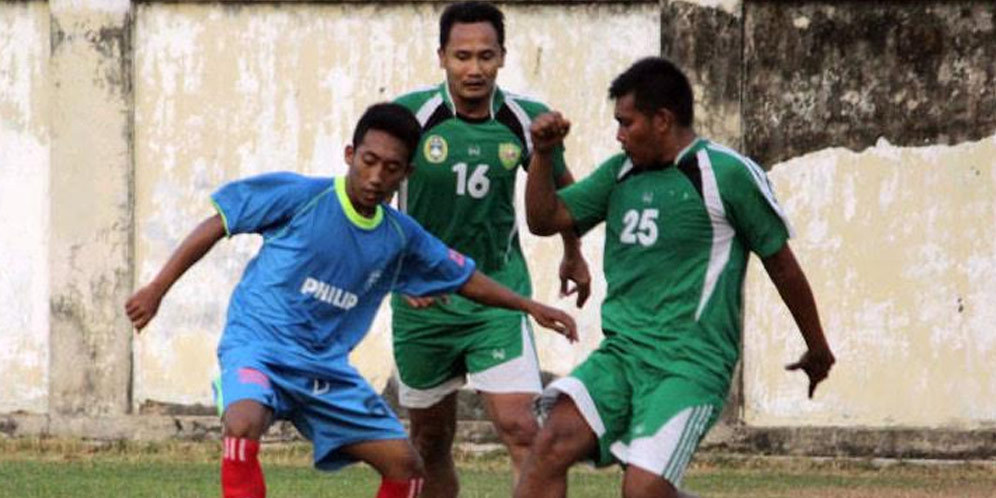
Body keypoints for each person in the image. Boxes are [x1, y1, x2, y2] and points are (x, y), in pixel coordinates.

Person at [124, 103, 577, 498]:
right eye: (369, 161)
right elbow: (218, 223)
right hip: (258, 347)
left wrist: (530, 306)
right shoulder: (303, 196)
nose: (377, 177)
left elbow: (463, 277)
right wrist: (156, 289)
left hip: (325, 369)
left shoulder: (401, 236)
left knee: (407, 468)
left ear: (408, 174)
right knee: (242, 421)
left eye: (391, 168)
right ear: (350, 155)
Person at [515, 57, 836, 498]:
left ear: (662, 120)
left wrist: (816, 346)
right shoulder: (620, 173)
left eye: (626, 124)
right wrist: (543, 155)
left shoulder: (725, 174)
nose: (619, 135)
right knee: (548, 446)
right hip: (622, 356)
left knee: (642, 490)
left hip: (690, 365)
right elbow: (545, 219)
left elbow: (782, 265)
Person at [390, 2, 591, 496]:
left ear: (503, 57)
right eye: (462, 56)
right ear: (441, 57)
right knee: (430, 439)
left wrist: (573, 251)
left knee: (525, 429)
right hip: (425, 303)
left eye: (485, 56)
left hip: (497, 296)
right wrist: (398, 272)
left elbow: (565, 195)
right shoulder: (409, 117)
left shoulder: (526, 120)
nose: (474, 68)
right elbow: (371, 198)